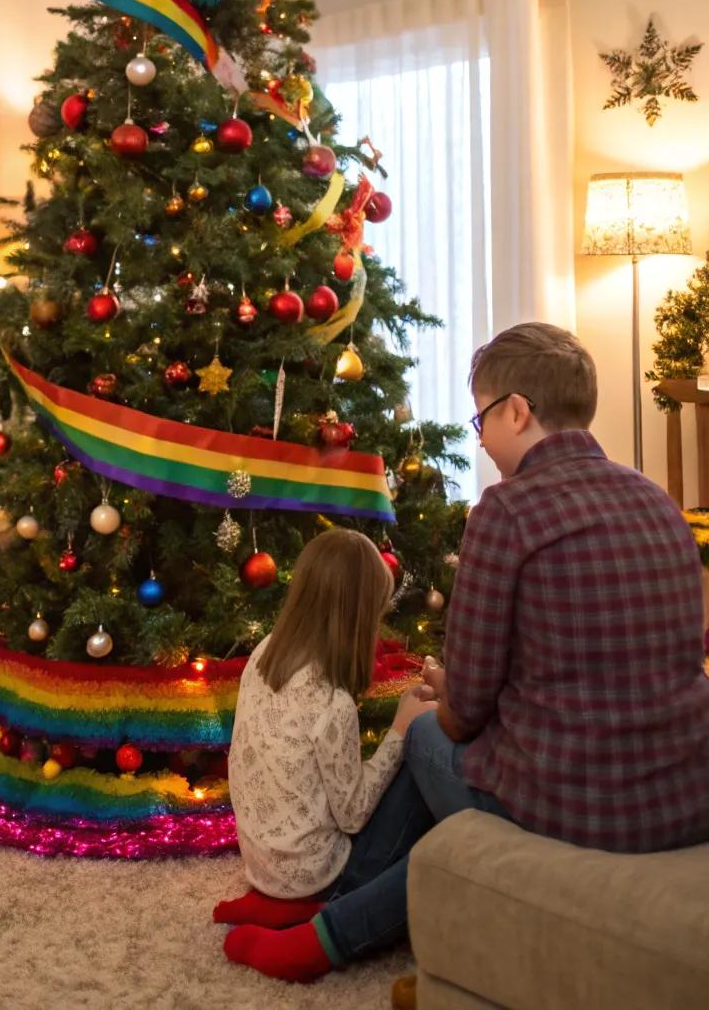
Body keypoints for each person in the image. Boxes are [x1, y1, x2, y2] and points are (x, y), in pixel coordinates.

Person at [225, 322, 709, 985]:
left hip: (580, 806)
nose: (479, 438)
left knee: (425, 731)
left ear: (517, 410)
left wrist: (446, 692)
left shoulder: (505, 513)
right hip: (684, 792)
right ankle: (327, 912)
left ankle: (331, 924)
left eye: (480, 419)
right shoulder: (659, 502)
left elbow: (467, 712)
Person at [217, 528, 434, 980]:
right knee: (416, 760)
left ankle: (276, 902)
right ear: (357, 617)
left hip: (262, 866)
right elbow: (353, 815)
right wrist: (400, 728)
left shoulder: (263, 655)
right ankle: (321, 909)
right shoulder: (331, 704)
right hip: (320, 875)